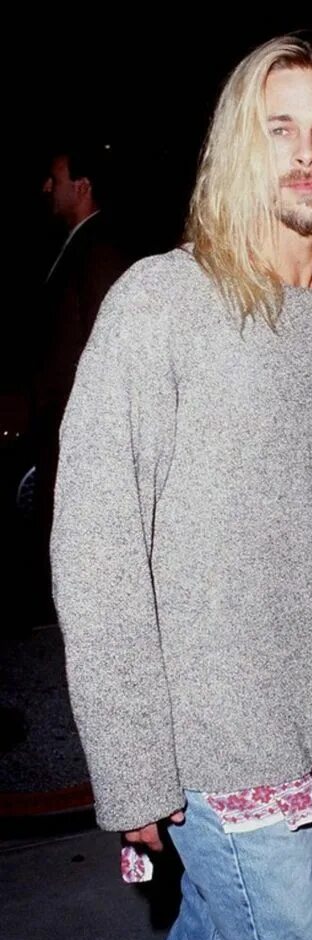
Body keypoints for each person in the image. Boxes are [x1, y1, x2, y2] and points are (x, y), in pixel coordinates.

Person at [51, 36, 312, 940]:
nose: (306, 152)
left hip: (309, 711)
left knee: (221, 935)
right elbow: (96, 547)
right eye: (279, 128)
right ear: (237, 148)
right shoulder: (161, 301)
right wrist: (131, 761)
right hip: (215, 737)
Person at [32, 142, 132, 621]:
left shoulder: (100, 250)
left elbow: (104, 344)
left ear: (82, 186)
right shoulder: (75, 246)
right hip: (57, 421)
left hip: (79, 425)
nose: (46, 187)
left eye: (55, 179)